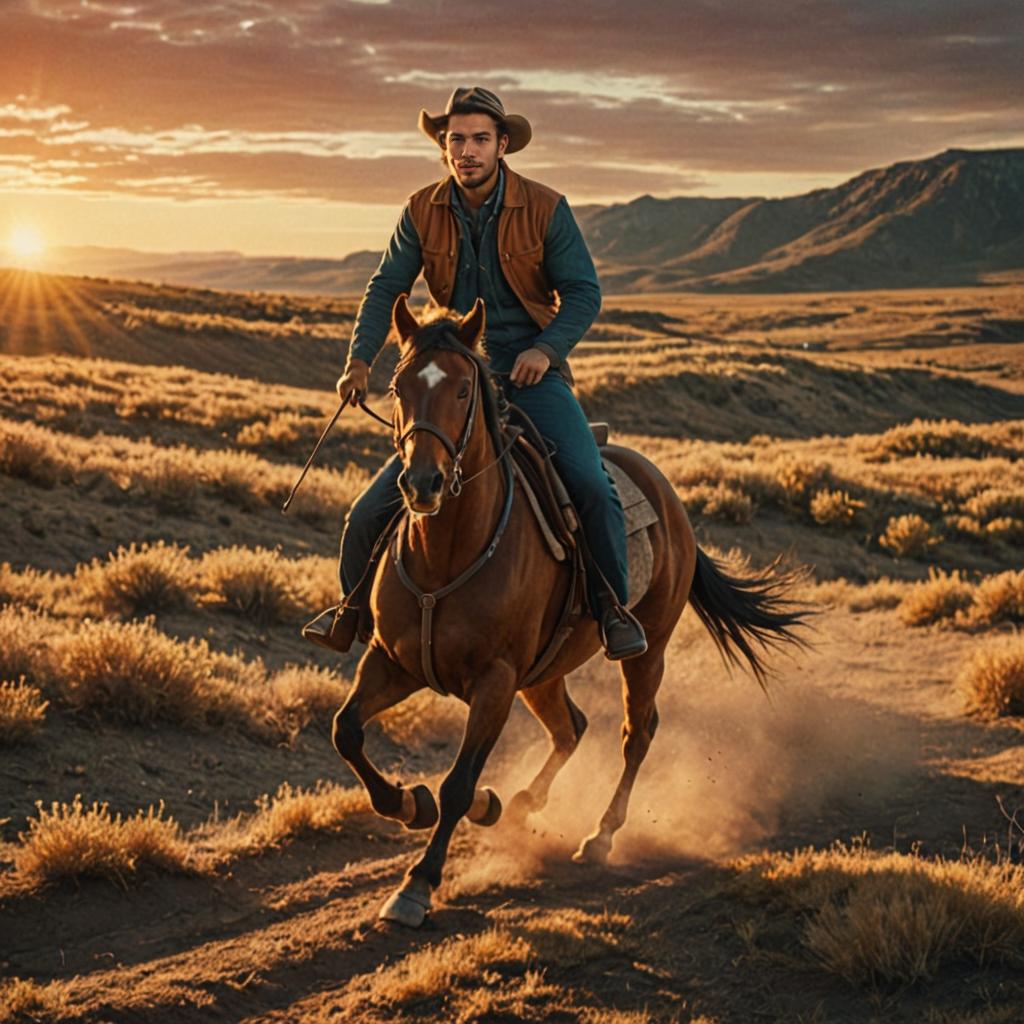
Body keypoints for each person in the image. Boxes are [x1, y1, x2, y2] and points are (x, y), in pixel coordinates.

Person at [303, 86, 647, 660]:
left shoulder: (545, 207)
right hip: (455, 379)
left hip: (530, 375)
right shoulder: (421, 209)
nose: (466, 150)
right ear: (443, 146)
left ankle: (613, 610)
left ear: (502, 144)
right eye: (455, 139)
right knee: (366, 512)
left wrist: (547, 349)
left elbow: (584, 292)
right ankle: (353, 613)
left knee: (590, 485)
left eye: (479, 139)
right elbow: (387, 286)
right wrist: (359, 360)